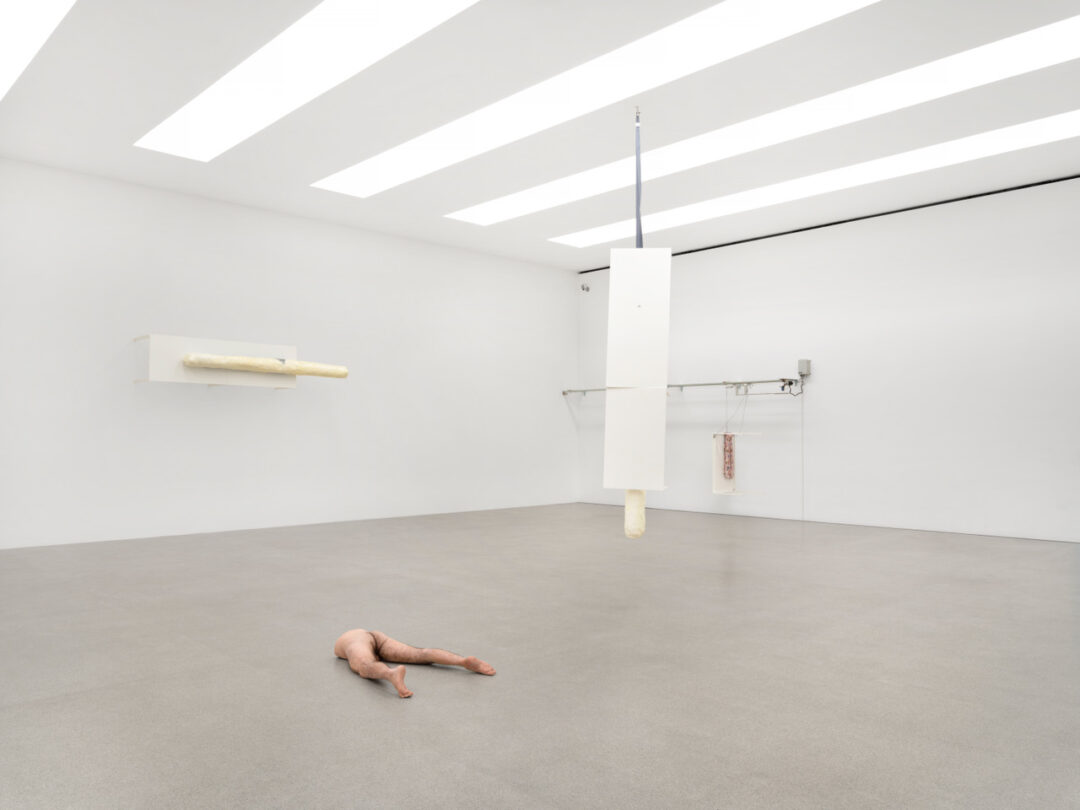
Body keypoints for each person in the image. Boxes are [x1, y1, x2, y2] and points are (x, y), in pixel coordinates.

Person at [333, 628, 495, 698]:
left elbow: (365, 662)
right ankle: (462, 660)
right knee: (419, 653)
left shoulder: (350, 641)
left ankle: (391, 673)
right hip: (376, 636)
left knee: (364, 665)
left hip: (355, 641)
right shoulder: (360, 636)